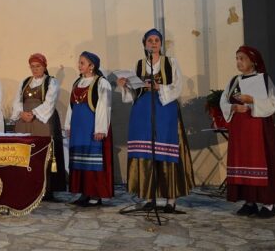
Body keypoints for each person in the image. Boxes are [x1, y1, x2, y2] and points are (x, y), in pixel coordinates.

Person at [117, 28, 194, 212]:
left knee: (166, 153)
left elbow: (178, 86)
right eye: (150, 40)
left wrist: (160, 87)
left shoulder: (171, 62)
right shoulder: (138, 64)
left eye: (156, 40)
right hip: (142, 112)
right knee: (146, 153)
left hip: (164, 110)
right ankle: (149, 197)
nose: (153, 43)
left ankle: (170, 200)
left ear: (160, 43)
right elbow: (133, 93)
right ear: (145, 44)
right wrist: (125, 86)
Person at [220, 46, 275, 218]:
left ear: (253, 61)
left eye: (242, 58)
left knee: (259, 162)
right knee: (243, 161)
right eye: (237, 58)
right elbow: (223, 101)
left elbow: (272, 103)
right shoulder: (234, 81)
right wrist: (233, 107)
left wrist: (252, 100)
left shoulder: (264, 80)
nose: (239, 62)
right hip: (240, 130)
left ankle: (268, 205)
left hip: (258, 129)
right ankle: (249, 202)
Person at [11, 53, 66, 200]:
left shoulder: (51, 82)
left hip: (42, 120)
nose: (35, 69)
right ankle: (27, 188)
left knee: (44, 153)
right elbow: (17, 100)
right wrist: (21, 113)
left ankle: (46, 190)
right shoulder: (24, 82)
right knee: (26, 153)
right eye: (32, 67)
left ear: (44, 66)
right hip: (24, 121)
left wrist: (33, 113)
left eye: (38, 66)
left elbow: (49, 102)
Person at [65, 51, 113, 207]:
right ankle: (84, 193)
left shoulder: (101, 83)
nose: (79, 65)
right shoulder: (77, 82)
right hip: (78, 128)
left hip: (92, 127)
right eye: (79, 62)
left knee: (93, 162)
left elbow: (104, 106)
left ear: (92, 66)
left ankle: (95, 195)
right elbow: (71, 107)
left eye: (82, 63)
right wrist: (68, 125)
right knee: (80, 161)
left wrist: (100, 129)